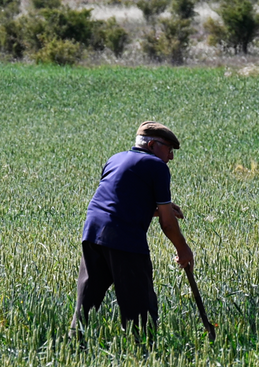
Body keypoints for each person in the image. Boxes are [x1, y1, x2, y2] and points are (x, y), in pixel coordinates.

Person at [73, 121, 194, 334]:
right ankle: (142, 355)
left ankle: (72, 349)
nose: (171, 157)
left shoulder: (115, 159)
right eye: (169, 149)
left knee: (87, 304)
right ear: (151, 146)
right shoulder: (157, 167)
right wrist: (183, 249)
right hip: (124, 237)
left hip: (92, 233)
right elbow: (167, 222)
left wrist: (153, 209)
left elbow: (118, 201)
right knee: (140, 309)